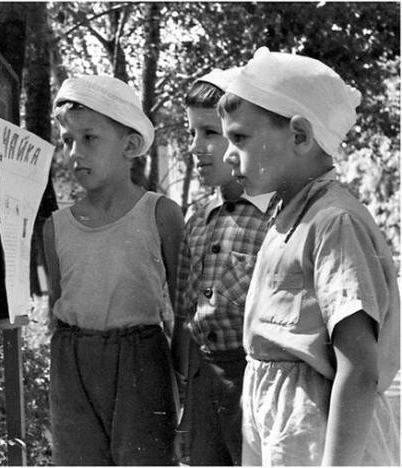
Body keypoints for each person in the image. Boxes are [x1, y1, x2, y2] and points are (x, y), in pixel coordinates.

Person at [218, 47, 400, 466]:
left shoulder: (334, 222)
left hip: (321, 437)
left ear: (299, 136)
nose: (229, 155)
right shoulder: (286, 217)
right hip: (284, 431)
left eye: (239, 137)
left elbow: (359, 369)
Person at [43, 74, 184, 465]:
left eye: (90, 138)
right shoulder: (56, 228)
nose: (75, 153)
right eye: (68, 140)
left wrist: (187, 385)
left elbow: (185, 311)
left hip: (141, 361)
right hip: (73, 365)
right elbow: (57, 305)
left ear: (130, 144)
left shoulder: (161, 214)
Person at [172, 67, 277, 466]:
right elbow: (185, 317)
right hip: (202, 381)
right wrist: (184, 406)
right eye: (191, 133)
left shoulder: (276, 219)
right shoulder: (196, 220)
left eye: (210, 133)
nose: (196, 146)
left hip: (253, 380)